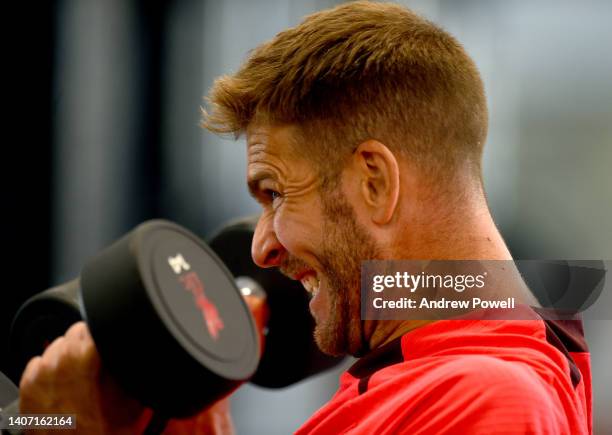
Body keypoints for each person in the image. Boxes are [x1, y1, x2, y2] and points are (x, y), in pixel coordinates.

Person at [18, 2, 592, 434]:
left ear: (375, 181)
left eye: (275, 195)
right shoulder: (451, 365)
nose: (261, 247)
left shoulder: (482, 400)